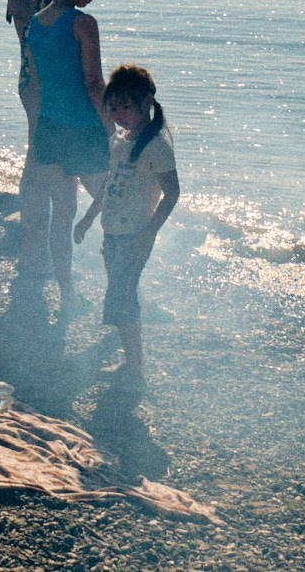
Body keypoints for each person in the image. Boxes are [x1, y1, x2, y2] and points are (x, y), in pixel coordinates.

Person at [75, 65, 180, 387]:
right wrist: (89, 217)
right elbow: (111, 185)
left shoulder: (156, 147)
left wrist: (148, 234)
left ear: (146, 102)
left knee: (121, 298)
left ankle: (135, 371)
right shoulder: (120, 140)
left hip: (135, 234)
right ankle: (130, 357)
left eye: (126, 106)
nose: (119, 114)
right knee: (121, 293)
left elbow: (173, 193)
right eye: (114, 107)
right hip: (114, 232)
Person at [18, 0, 110, 317]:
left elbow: (37, 84)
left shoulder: (36, 24)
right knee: (116, 202)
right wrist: (111, 125)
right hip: (83, 130)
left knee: (64, 213)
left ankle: (68, 294)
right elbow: (93, 82)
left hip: (49, 130)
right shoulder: (83, 23)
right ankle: (124, 290)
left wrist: (38, 133)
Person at [7, 0, 82, 284]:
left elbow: (19, 14)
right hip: (43, 82)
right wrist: (40, 56)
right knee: (52, 165)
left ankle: (36, 253)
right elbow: (20, 10)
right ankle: (42, 256)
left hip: (34, 79)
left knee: (38, 162)